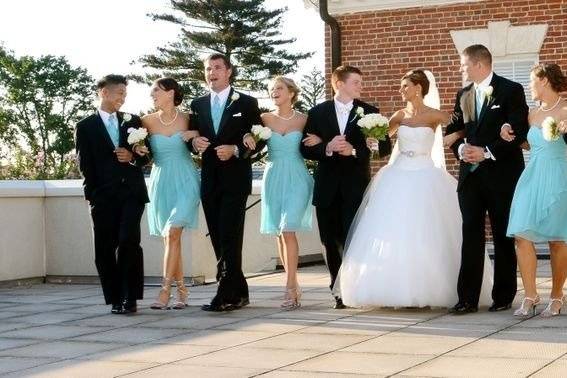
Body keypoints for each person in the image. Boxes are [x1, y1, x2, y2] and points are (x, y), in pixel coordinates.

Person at [336, 70, 493, 308]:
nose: (401, 90)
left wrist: (457, 139)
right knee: (394, 229)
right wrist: (372, 140)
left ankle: (430, 288)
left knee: (425, 231)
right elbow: (382, 143)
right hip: (397, 174)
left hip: (425, 174)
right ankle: (391, 287)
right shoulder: (399, 115)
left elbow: (461, 128)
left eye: (405, 86)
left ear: (418, 88)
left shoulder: (435, 116)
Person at [445, 44, 530, 314]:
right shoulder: (464, 94)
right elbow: (453, 131)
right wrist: (461, 150)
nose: (461, 69)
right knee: (470, 233)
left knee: (503, 234)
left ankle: (503, 296)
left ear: (479, 64)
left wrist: (487, 152)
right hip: (470, 177)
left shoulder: (511, 90)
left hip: (502, 175)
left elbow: (519, 129)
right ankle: (467, 298)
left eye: (463, 64)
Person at [300, 65, 391, 309]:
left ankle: (357, 287)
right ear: (338, 84)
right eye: (356, 82)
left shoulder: (370, 112)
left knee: (355, 238)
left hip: (355, 186)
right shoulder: (317, 112)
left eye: (360, 82)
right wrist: (327, 147)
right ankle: (338, 291)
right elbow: (305, 147)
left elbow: (384, 149)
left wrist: (354, 150)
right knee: (330, 240)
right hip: (327, 186)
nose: (360, 86)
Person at [187, 53, 262, 312]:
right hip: (209, 179)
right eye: (208, 69)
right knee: (218, 236)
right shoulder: (197, 104)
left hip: (235, 179)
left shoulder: (247, 102)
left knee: (230, 235)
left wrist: (236, 149)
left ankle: (225, 293)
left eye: (217, 68)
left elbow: (259, 138)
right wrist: (193, 142)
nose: (212, 72)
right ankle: (240, 292)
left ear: (229, 71)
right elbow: (192, 136)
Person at [75, 74, 149, 314]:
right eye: (120, 93)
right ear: (104, 92)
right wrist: (92, 197)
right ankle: (115, 297)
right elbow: (84, 165)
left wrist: (133, 156)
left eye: (125, 95)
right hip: (102, 196)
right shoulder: (85, 126)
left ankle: (131, 297)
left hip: (131, 193)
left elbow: (147, 155)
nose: (123, 98)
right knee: (105, 248)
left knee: (129, 241)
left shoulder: (133, 121)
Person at [501, 63, 567, 317]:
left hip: (559, 176)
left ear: (544, 81)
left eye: (532, 81)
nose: (529, 86)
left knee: (558, 239)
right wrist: (506, 131)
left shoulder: (565, 110)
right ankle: (529, 295)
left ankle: (556, 296)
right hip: (532, 176)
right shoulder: (531, 114)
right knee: (520, 233)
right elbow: (528, 143)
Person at [244, 77, 313, 310]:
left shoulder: (304, 120)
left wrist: (320, 139)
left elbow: (317, 141)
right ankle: (291, 282)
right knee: (280, 233)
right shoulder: (264, 119)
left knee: (288, 228)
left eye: (279, 88)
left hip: (297, 177)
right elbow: (248, 138)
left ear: (291, 93)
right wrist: (247, 138)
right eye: (272, 89)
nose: (275, 92)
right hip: (273, 177)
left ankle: (290, 287)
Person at [137, 78, 200, 310]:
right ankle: (182, 291)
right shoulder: (145, 122)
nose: (152, 94)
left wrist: (194, 133)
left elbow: (206, 139)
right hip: (161, 181)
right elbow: (139, 153)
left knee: (172, 230)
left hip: (186, 179)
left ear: (170, 92)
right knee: (170, 237)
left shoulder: (189, 118)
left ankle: (165, 291)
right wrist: (137, 148)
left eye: (156, 90)